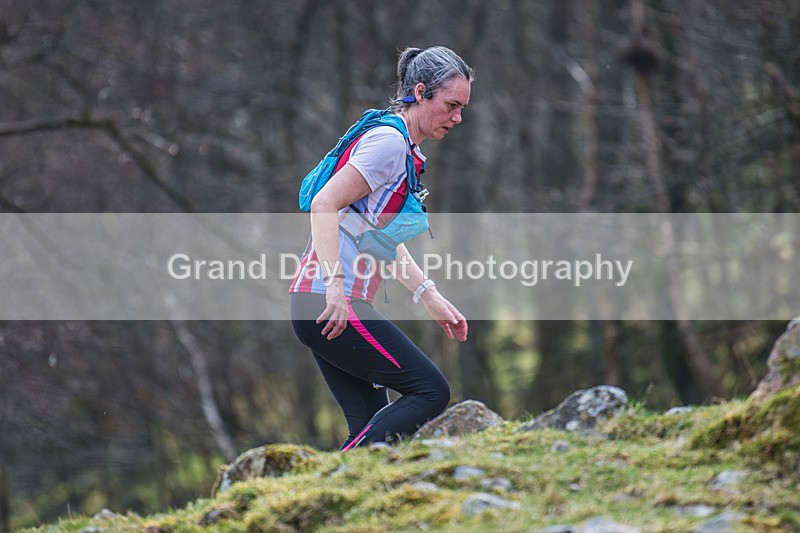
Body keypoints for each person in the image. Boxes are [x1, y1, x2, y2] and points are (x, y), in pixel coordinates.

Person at [290, 46, 474, 450]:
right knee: (430, 392)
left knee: (372, 431)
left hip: (317, 303)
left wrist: (430, 295)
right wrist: (336, 286)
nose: (458, 117)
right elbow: (323, 203)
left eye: (462, 108)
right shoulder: (388, 144)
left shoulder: (404, 149)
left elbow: (380, 239)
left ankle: (336, 501)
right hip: (331, 301)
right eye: (451, 105)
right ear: (421, 92)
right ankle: (329, 485)